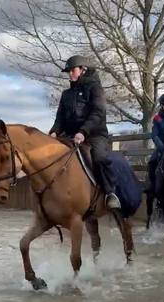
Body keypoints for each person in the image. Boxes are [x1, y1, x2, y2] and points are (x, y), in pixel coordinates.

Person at [49, 55, 120, 209]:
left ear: (83, 70)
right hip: (70, 136)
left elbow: (98, 113)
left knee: (99, 158)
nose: (70, 74)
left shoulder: (96, 89)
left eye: (72, 70)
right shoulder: (66, 94)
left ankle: (109, 193)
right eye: (68, 71)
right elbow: (59, 118)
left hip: (94, 135)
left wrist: (83, 131)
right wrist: (54, 132)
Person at [147, 92, 164, 193]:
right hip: (162, 147)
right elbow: (155, 135)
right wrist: (161, 147)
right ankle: (151, 186)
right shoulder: (158, 118)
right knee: (152, 162)